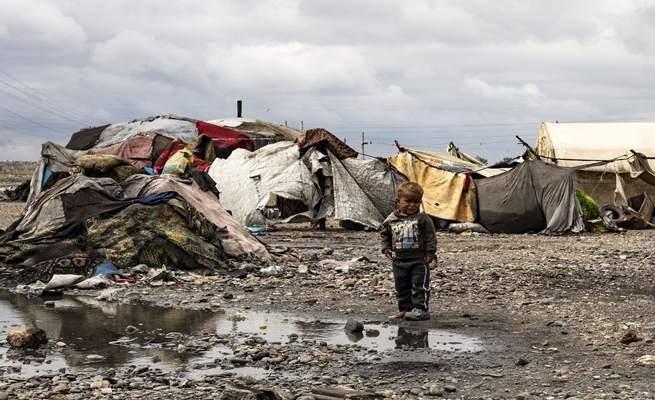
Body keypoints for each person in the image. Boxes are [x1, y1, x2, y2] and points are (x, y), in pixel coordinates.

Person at [380, 182, 437, 321]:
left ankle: (421, 309)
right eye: (408, 201)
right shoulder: (391, 220)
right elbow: (385, 236)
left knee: (419, 286)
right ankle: (405, 309)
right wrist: (386, 249)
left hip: (419, 260)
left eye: (416, 202)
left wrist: (430, 253)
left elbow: (430, 237)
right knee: (401, 287)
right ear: (398, 201)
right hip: (399, 260)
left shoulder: (423, 219)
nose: (412, 205)